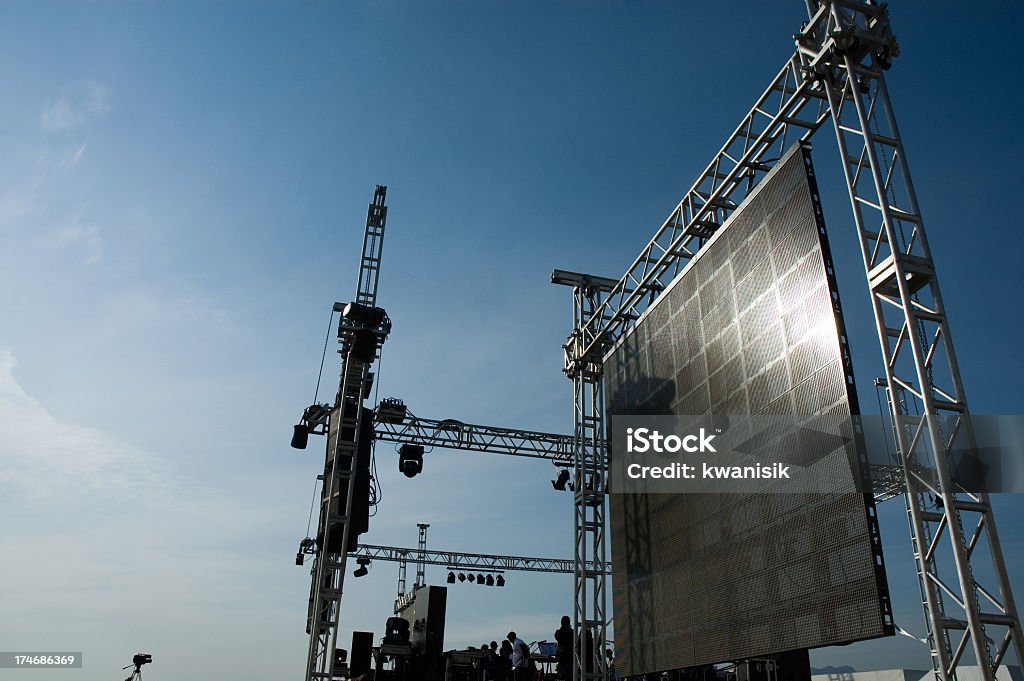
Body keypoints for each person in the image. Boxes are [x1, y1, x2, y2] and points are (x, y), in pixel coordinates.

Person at [554, 616, 573, 681]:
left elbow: (558, 637)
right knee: (570, 677)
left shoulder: (558, 632)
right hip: (570, 658)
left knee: (562, 677)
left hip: (561, 658)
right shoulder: (572, 632)